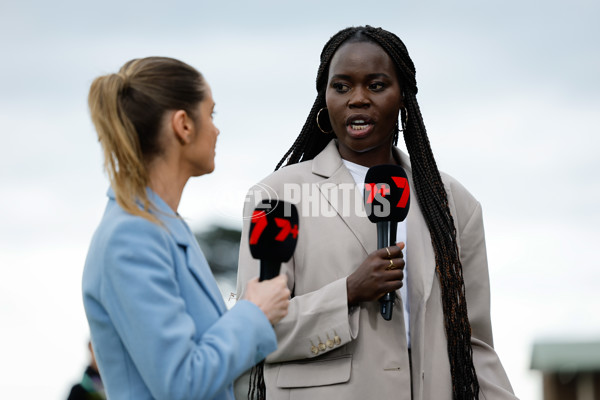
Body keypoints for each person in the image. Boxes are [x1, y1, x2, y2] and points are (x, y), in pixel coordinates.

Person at [236, 26, 517, 400]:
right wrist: (348, 292)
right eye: (342, 86)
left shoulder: (452, 204)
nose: (358, 99)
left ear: (403, 97)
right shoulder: (276, 197)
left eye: (376, 84)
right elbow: (252, 331)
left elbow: (474, 346)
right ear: (324, 98)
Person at [82, 56, 290, 400]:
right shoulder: (131, 236)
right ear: (183, 124)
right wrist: (254, 313)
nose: (217, 129)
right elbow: (182, 382)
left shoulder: (161, 226)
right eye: (211, 114)